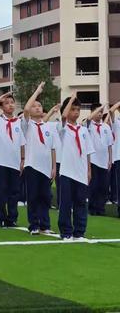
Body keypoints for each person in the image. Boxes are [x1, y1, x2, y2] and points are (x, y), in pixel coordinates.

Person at [22, 82, 59, 234]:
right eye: (34, 106)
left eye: (39, 106)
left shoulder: (49, 126)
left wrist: (54, 167)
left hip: (45, 167)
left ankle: (45, 225)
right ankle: (34, 225)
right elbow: (25, 109)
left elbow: (52, 148)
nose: (37, 107)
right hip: (31, 165)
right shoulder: (27, 124)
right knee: (33, 196)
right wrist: (37, 91)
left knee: (46, 197)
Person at [0, 93, 26, 228]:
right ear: (2, 107)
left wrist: (22, 159)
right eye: (7, 103)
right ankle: (1, 217)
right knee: (2, 190)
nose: (10, 105)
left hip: (14, 161)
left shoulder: (18, 122)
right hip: (1, 161)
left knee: (14, 191)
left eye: (12, 102)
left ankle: (12, 218)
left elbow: (21, 143)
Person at [58, 92, 95, 240]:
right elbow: (63, 116)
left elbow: (87, 152)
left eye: (78, 110)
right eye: (73, 109)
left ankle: (79, 232)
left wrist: (89, 170)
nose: (76, 112)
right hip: (67, 171)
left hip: (81, 172)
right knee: (66, 203)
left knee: (81, 202)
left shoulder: (84, 130)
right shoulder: (62, 128)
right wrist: (71, 99)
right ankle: (66, 231)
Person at [87, 104, 113, 216]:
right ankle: (92, 208)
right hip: (93, 160)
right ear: (93, 112)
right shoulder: (88, 125)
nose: (100, 114)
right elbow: (88, 119)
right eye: (98, 112)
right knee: (94, 185)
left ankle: (100, 208)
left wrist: (110, 159)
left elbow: (109, 145)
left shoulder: (106, 127)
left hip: (104, 160)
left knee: (103, 186)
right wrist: (99, 107)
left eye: (101, 112)